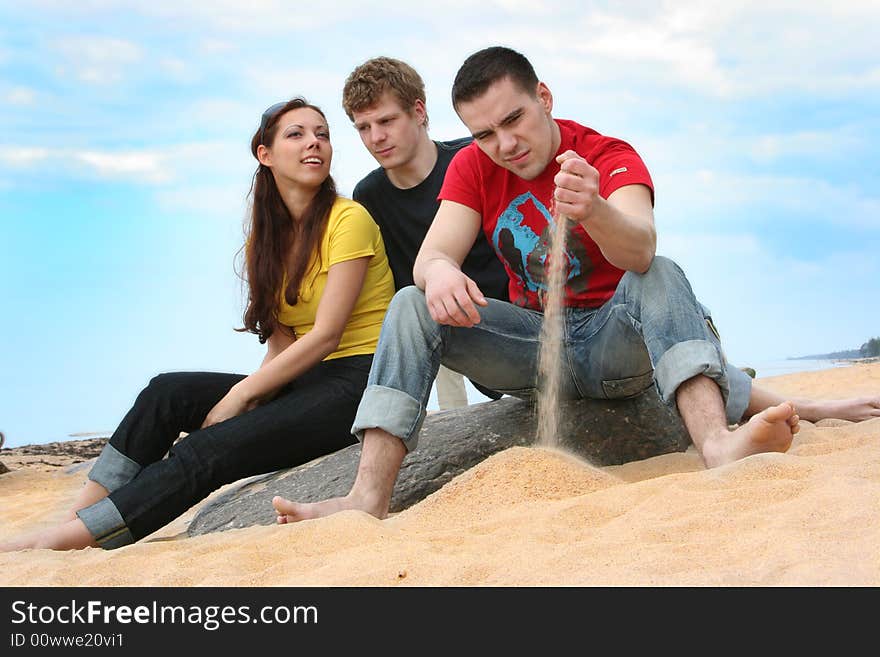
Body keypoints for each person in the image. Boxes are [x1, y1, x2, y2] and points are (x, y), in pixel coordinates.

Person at [272, 47, 880, 524]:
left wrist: (597, 210)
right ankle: (367, 496)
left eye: (514, 120)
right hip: (536, 345)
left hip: (618, 345)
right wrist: (440, 273)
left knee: (662, 275)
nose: (504, 145)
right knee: (410, 301)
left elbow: (641, 248)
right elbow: (432, 256)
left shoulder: (606, 153)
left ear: (544, 97)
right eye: (484, 133)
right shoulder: (473, 167)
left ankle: (717, 446)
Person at [1, 97, 395, 551]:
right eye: (297, 134)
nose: (314, 144)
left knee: (206, 450)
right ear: (264, 155)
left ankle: (70, 540)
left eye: (322, 134)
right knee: (166, 392)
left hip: (359, 384)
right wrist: (256, 396)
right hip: (308, 382)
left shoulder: (349, 219)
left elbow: (325, 335)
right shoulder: (265, 240)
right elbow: (285, 338)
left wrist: (242, 397)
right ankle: (78, 516)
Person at [343, 56, 509, 409]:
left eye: (387, 120)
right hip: (445, 332)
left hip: (518, 320)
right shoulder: (368, 196)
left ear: (418, 112)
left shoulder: (475, 156)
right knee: (415, 297)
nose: (376, 137)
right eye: (363, 127)